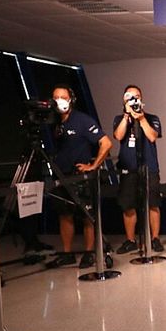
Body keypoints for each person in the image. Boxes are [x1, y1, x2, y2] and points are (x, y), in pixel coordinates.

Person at [46, 84, 112, 268]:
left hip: (80, 177)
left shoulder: (82, 120)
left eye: (63, 97)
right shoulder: (55, 122)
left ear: (71, 100)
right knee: (64, 215)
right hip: (61, 175)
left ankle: (90, 253)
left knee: (86, 216)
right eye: (55, 97)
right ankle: (67, 254)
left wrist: (93, 166)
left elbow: (106, 143)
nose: (59, 100)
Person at [113, 84, 163, 254]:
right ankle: (130, 240)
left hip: (149, 167)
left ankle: (155, 238)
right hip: (128, 168)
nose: (134, 99)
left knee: (153, 204)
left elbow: (152, 136)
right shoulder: (119, 119)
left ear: (142, 98)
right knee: (128, 206)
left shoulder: (152, 118)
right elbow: (118, 136)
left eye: (137, 96)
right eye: (130, 96)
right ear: (124, 99)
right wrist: (127, 116)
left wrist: (141, 119)